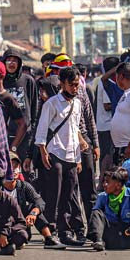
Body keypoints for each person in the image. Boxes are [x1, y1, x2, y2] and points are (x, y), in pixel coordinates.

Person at [35, 67, 87, 246]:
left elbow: (75, 130)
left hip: (72, 155)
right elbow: (41, 130)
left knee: (68, 196)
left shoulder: (78, 103)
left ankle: (65, 232)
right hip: (54, 153)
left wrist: (78, 158)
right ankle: (51, 231)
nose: (75, 88)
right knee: (53, 195)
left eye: (77, 85)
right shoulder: (51, 103)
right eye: (71, 85)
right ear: (62, 84)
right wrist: (43, 151)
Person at [3, 152, 66, 250]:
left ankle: (49, 239)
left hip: (18, 225)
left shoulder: (24, 186)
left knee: (32, 208)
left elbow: (40, 201)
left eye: (16, 167)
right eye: (10, 167)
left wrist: (34, 213)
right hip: (1, 223)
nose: (14, 170)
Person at [89, 166, 130, 251]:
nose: (104, 184)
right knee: (96, 212)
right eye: (104, 181)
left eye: (107, 182)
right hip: (110, 239)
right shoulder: (102, 197)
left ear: (118, 185)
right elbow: (95, 217)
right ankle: (98, 241)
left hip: (129, 234)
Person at [3, 51, 38, 161]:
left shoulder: (28, 81)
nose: (11, 63)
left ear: (19, 63)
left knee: (25, 170)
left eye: (14, 60)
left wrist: (32, 129)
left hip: (25, 135)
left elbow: (34, 107)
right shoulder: (1, 81)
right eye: (8, 60)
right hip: (5, 135)